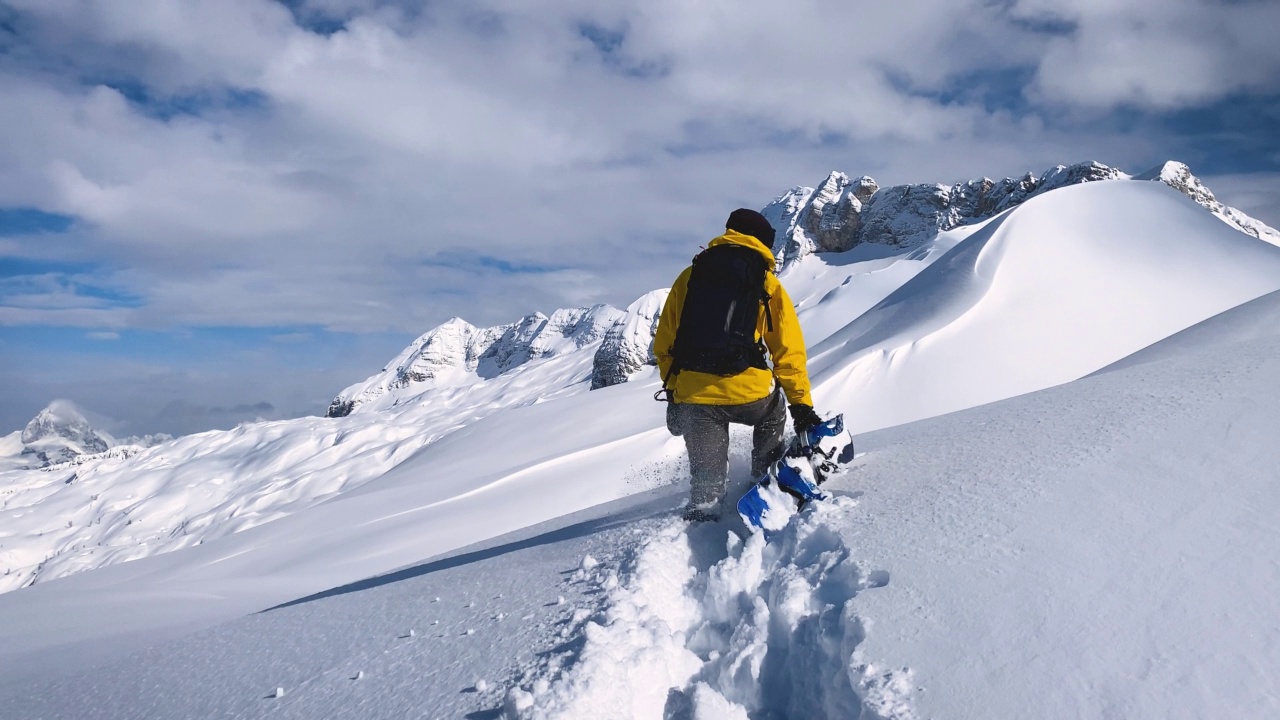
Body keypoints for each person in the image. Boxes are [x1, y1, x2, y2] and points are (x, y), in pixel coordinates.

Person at [654, 208, 822, 522]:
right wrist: (802, 406)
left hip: (695, 397)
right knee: (774, 413)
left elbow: (664, 346)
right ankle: (763, 478)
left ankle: (704, 515)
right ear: (762, 243)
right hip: (751, 393)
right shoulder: (767, 282)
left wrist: (677, 393)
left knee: (706, 484)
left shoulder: (689, 277)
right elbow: (788, 352)